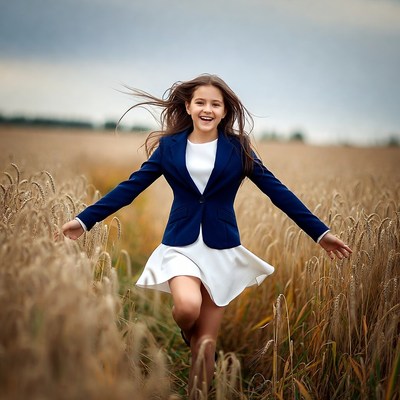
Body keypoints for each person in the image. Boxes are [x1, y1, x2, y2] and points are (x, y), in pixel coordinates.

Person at [61, 74, 352, 397]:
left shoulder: (237, 148)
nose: (207, 109)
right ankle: (187, 332)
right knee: (187, 308)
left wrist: (320, 233)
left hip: (222, 249)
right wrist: (85, 220)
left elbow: (277, 191)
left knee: (206, 346)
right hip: (180, 245)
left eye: (216, 104)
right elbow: (132, 187)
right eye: (200, 102)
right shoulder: (169, 147)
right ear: (188, 106)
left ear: (225, 111)